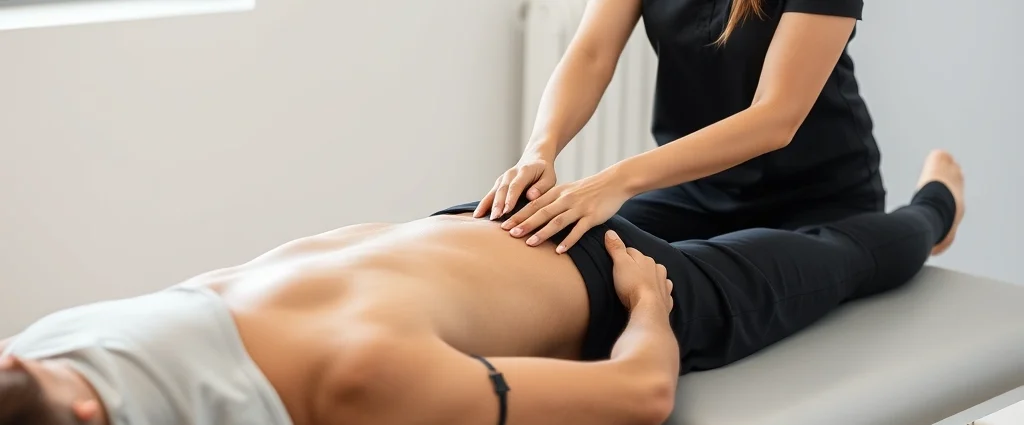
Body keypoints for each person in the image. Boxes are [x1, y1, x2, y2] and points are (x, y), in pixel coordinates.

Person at [0, 151, 963, 425]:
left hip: (602, 279)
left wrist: (651, 305)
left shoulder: (357, 381)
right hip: (472, 225)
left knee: (836, 257)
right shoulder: (55, 337)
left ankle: (929, 215)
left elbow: (640, 392)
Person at [478, 0, 898, 255]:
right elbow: (590, 53)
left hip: (817, 197)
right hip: (697, 190)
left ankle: (934, 203)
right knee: (569, 247)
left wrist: (617, 181)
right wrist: (540, 148)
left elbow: (776, 117)